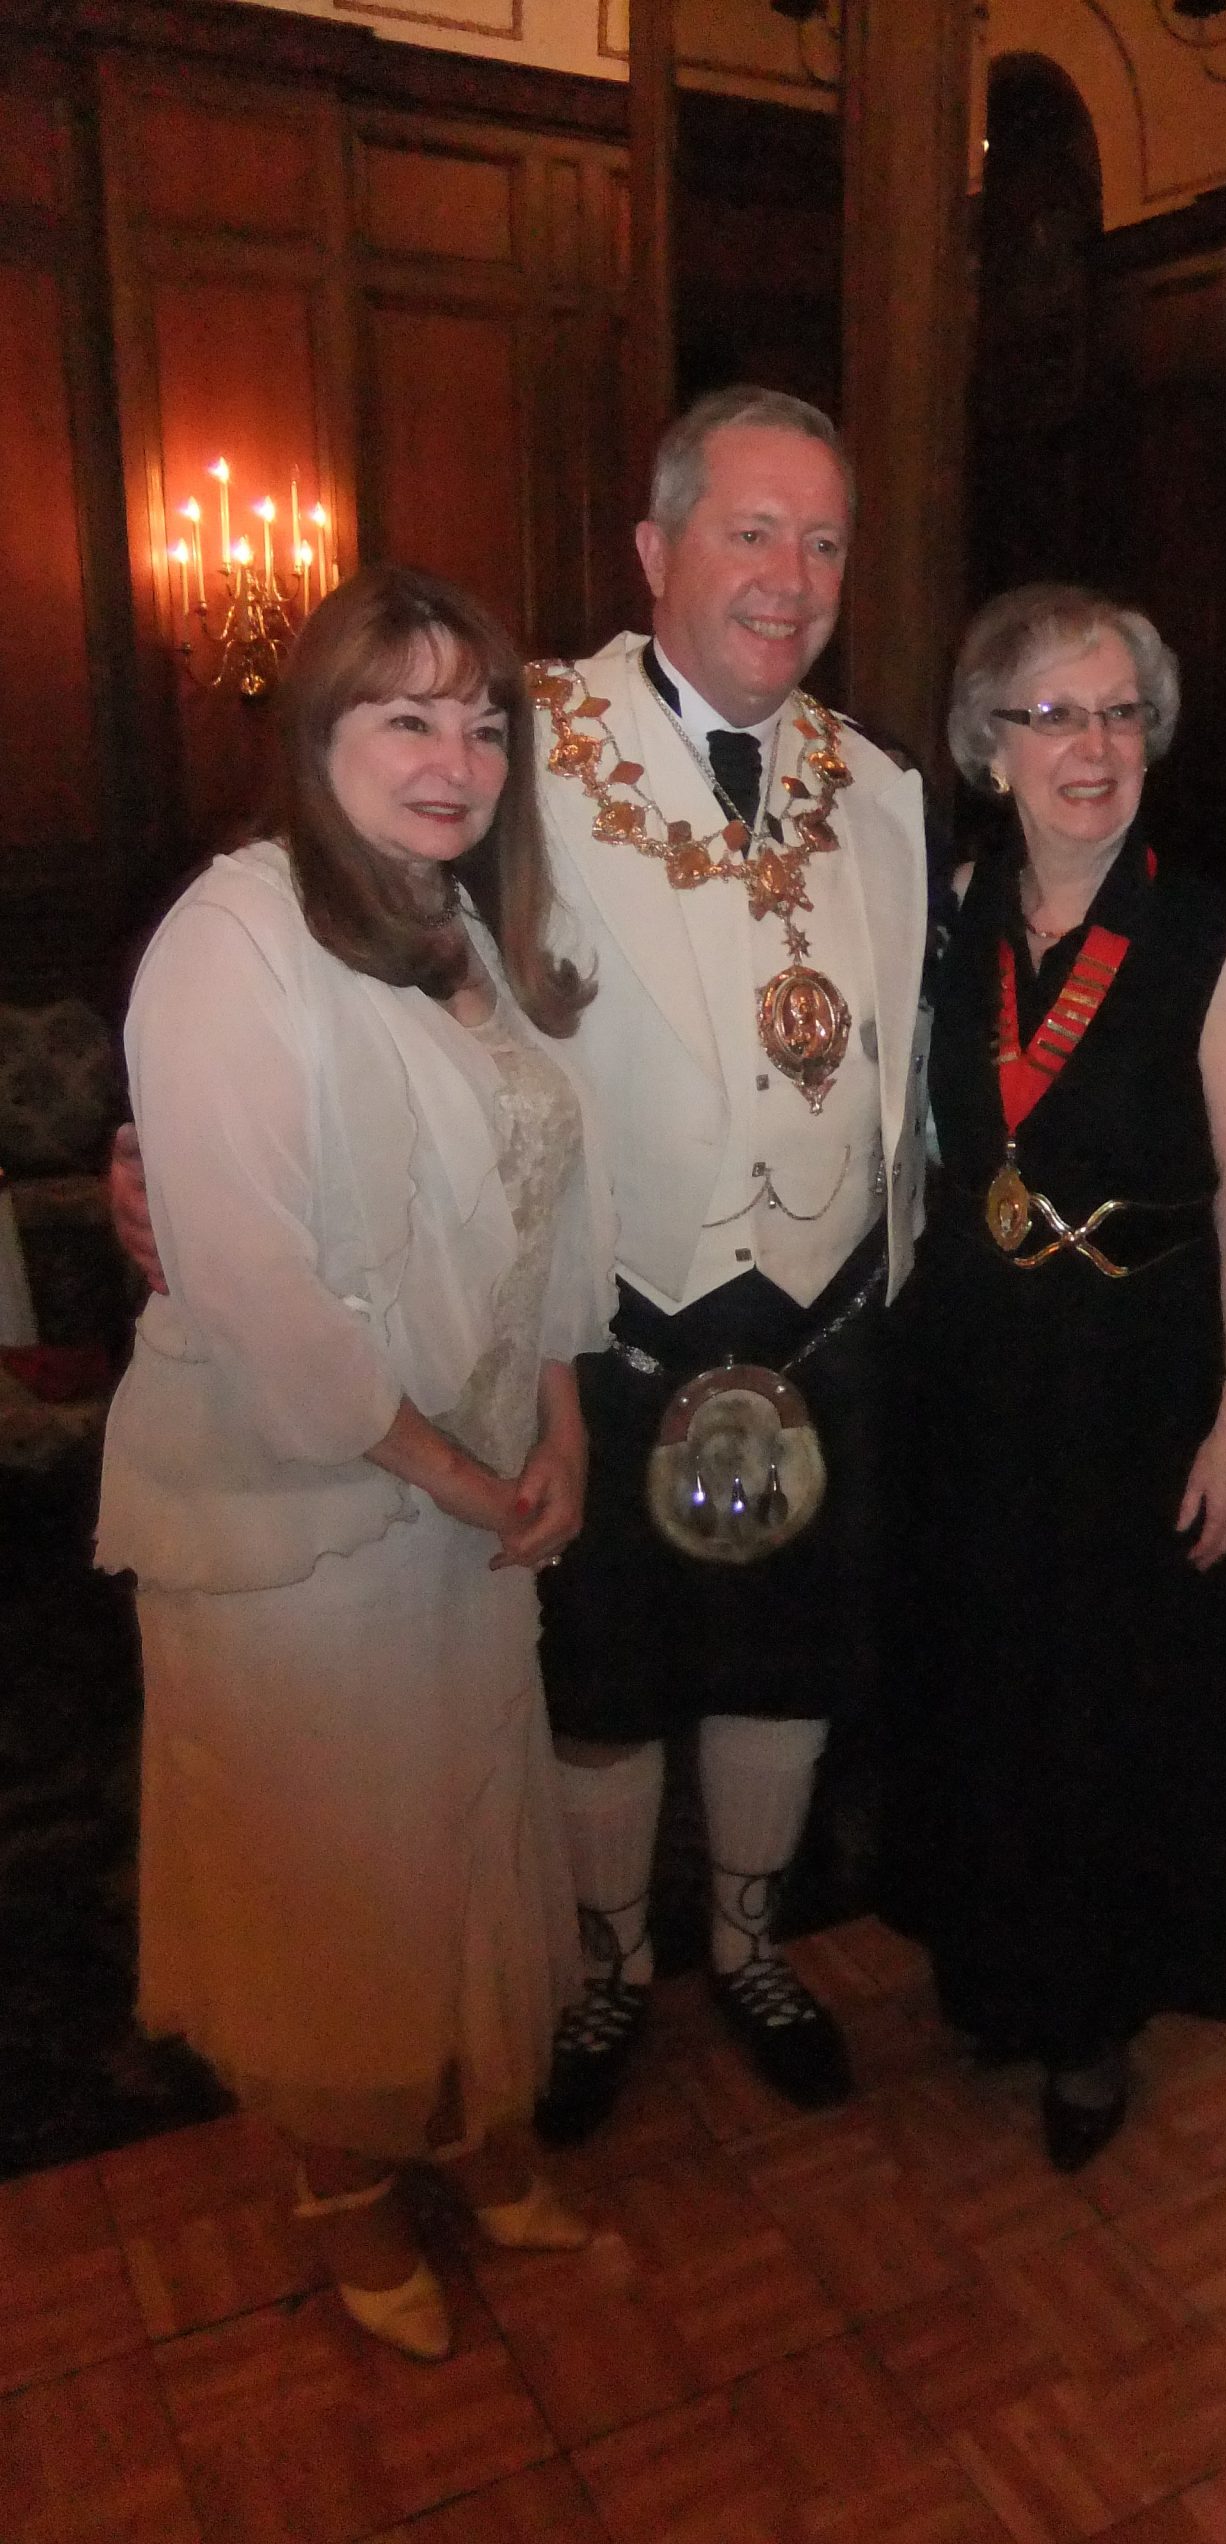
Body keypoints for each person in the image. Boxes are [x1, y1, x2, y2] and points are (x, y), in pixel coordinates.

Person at [97, 565, 615, 2359]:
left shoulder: (462, 926)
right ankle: (341, 2179)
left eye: (481, 723)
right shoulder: (231, 938)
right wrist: (464, 1478)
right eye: (404, 717)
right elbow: (257, 1288)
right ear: (315, 734)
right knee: (334, 1858)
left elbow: (554, 1200)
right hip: (304, 1511)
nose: (453, 758)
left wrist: (559, 1423)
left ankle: (467, 2128)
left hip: (474, 1487)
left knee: (459, 1826)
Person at [525, 385, 928, 2140]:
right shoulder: (526, 747)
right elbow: (371, 967)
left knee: (783, 1662)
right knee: (601, 1683)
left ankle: (751, 1946)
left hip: (823, 1320)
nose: (791, 576)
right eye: (752, 531)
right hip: (609, 1317)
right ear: (654, 547)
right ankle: (613, 1967)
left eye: (823, 541)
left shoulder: (884, 787)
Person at [884, 583, 1226, 2172]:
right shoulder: (948, 917)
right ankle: (995, 1964)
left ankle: (1094, 2011)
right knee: (986, 1678)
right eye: (1053, 714)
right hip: (972, 1367)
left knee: (1108, 1699)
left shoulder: (1210, 939)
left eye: (1121, 713)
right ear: (987, 744)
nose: (1093, 746)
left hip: (1136, 1374)